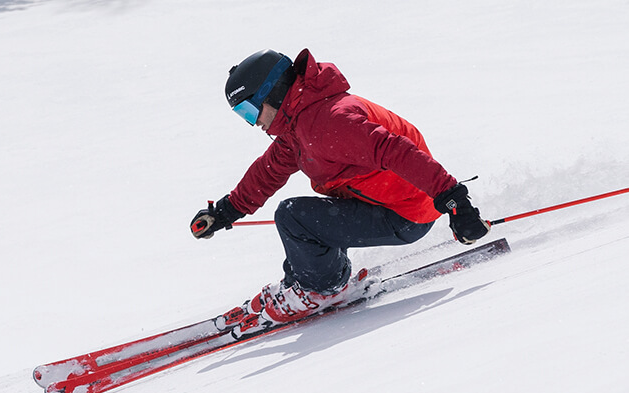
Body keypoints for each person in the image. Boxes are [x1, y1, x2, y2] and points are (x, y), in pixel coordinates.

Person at [190, 49, 490, 331]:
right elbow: (268, 170)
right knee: (305, 218)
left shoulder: (329, 121)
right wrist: (226, 211)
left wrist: (454, 200)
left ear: (273, 91)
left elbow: (397, 151)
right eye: (243, 115)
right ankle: (302, 282)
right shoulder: (300, 123)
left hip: (406, 213)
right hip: (388, 202)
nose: (253, 122)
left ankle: (322, 290)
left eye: (250, 110)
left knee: (293, 216)